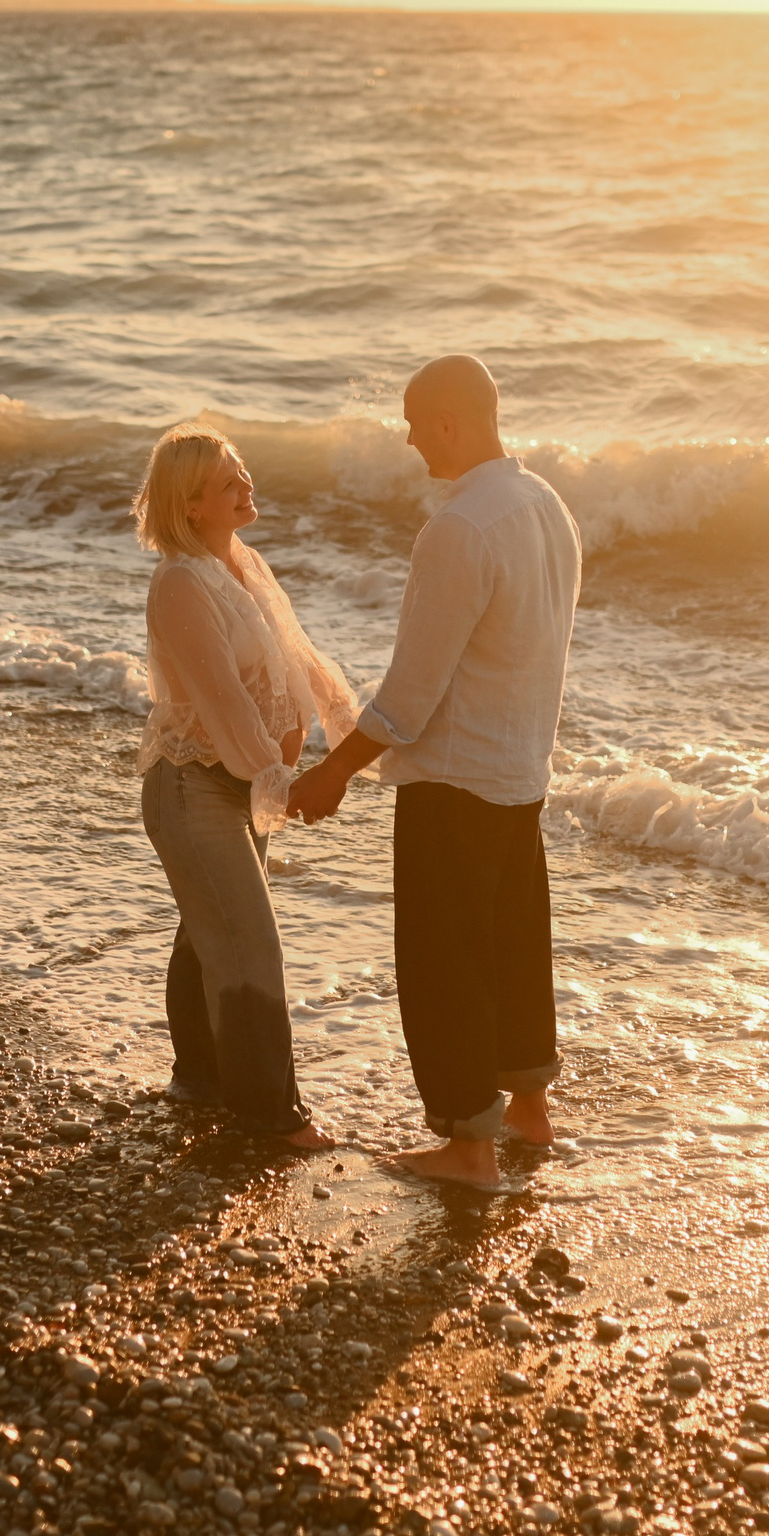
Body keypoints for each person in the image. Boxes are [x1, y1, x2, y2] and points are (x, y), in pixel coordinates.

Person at [288, 355, 582, 1189]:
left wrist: (333, 771)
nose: (410, 437)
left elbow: (412, 694)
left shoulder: (458, 529)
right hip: (522, 769)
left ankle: (468, 1148)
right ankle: (529, 1112)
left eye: (416, 421)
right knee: (515, 946)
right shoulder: (547, 506)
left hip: (453, 781)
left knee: (446, 963)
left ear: (452, 421)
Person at [134, 425, 357, 1150]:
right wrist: (280, 783)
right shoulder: (180, 583)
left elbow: (301, 659)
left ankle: (199, 1079)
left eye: (243, 472)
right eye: (230, 481)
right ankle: (271, 1116)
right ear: (191, 504)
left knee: (210, 936)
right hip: (194, 786)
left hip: (235, 784)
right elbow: (224, 699)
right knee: (247, 941)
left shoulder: (241, 562)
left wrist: (351, 735)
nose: (247, 485)